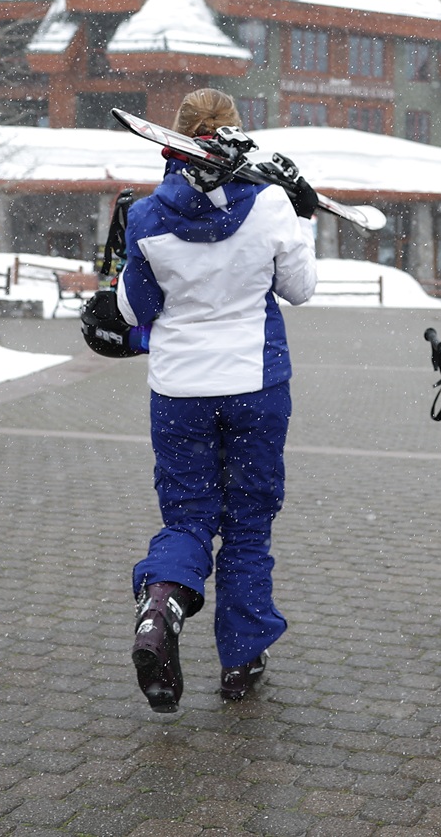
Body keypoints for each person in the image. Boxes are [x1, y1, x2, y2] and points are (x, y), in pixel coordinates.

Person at [102, 88, 319, 711]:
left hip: (179, 391)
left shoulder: (147, 215)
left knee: (189, 518)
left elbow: (135, 310)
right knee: (248, 524)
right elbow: (300, 288)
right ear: (236, 133)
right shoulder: (270, 202)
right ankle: (241, 659)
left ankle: (161, 604)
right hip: (254, 385)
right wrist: (300, 217)